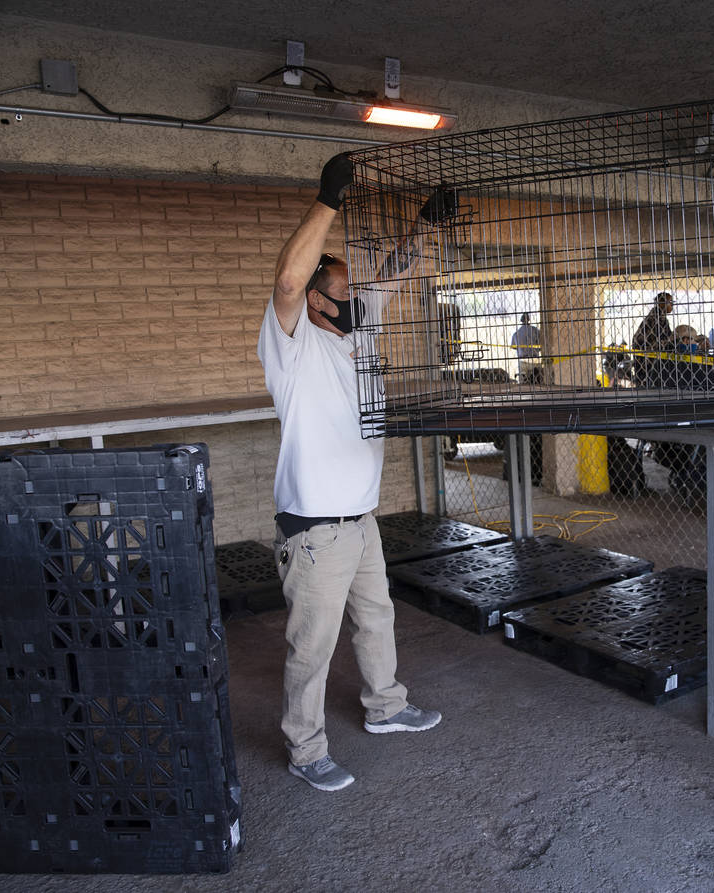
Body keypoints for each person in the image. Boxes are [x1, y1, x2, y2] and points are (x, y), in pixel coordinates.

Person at [257, 153, 443, 793]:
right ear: (315, 299)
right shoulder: (292, 345)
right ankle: (306, 749)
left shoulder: (355, 333)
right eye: (341, 290)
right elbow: (286, 281)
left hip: (361, 520)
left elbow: (396, 271)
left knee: (377, 616)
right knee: (312, 644)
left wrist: (425, 224)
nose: (356, 297)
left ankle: (386, 707)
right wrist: (328, 200)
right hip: (316, 528)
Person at [631, 292, 674, 386]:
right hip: (647, 362)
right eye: (670, 302)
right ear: (661, 303)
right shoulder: (655, 319)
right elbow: (663, 340)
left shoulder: (661, 319)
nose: (672, 305)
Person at [510, 313, 543, 384]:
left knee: (523, 384)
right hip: (535, 359)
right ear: (529, 320)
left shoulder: (516, 334)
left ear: (521, 320)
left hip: (522, 360)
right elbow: (541, 345)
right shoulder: (535, 331)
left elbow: (514, 347)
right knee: (537, 382)